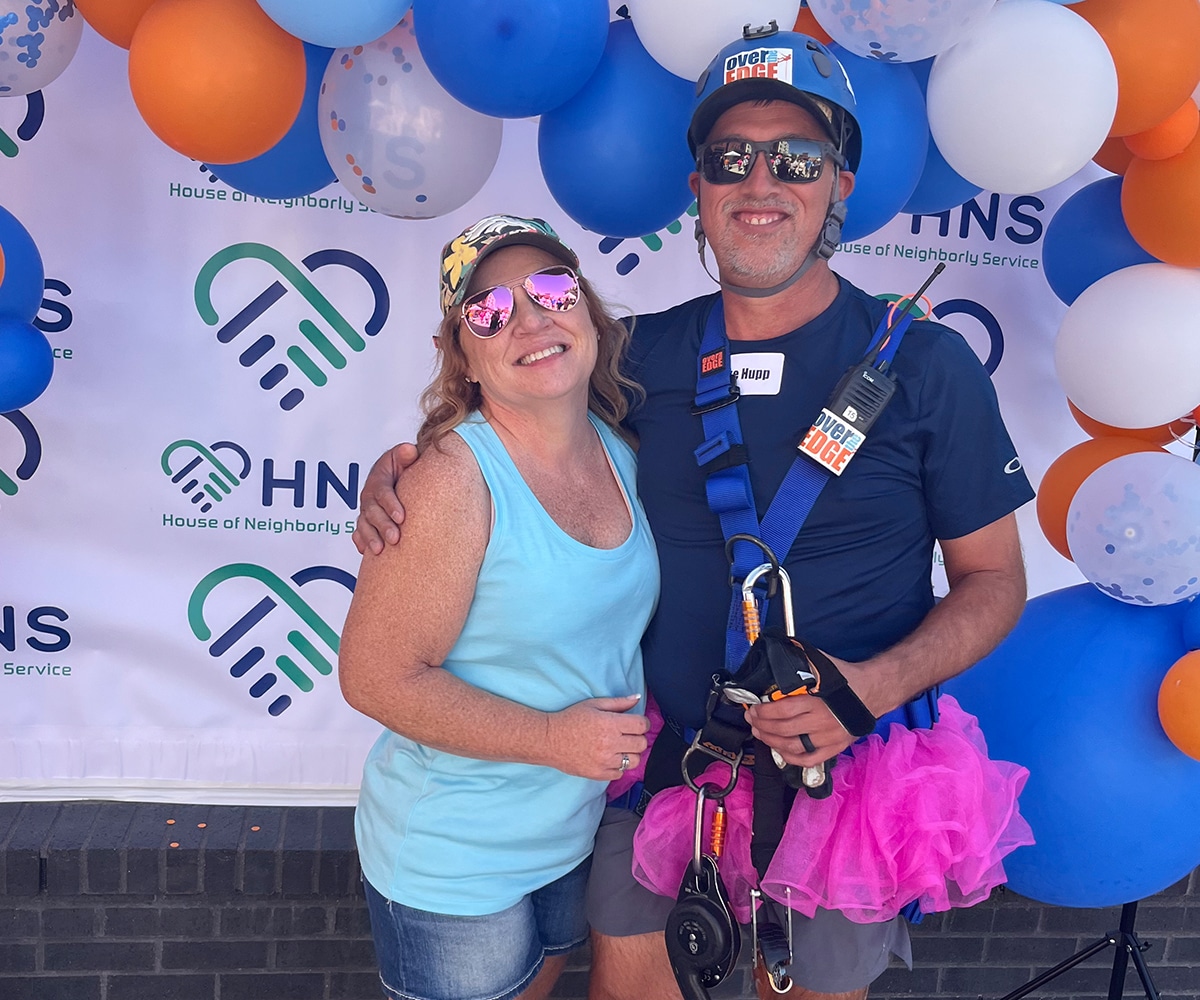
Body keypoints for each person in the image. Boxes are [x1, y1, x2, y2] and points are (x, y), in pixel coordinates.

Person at [354, 26, 1034, 1000]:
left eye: (797, 156)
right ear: (699, 193)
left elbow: (995, 580)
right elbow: (506, 429)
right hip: (669, 771)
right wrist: (401, 473)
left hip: (847, 781)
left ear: (840, 183)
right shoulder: (633, 358)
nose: (762, 182)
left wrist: (871, 687)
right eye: (730, 158)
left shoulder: (929, 367)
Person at [339, 214, 660, 1000]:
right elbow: (375, 679)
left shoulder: (622, 450)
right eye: (488, 311)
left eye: (552, 289)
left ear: (585, 307)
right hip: (457, 858)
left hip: (568, 830)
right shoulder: (453, 479)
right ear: (464, 355)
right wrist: (552, 738)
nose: (529, 319)